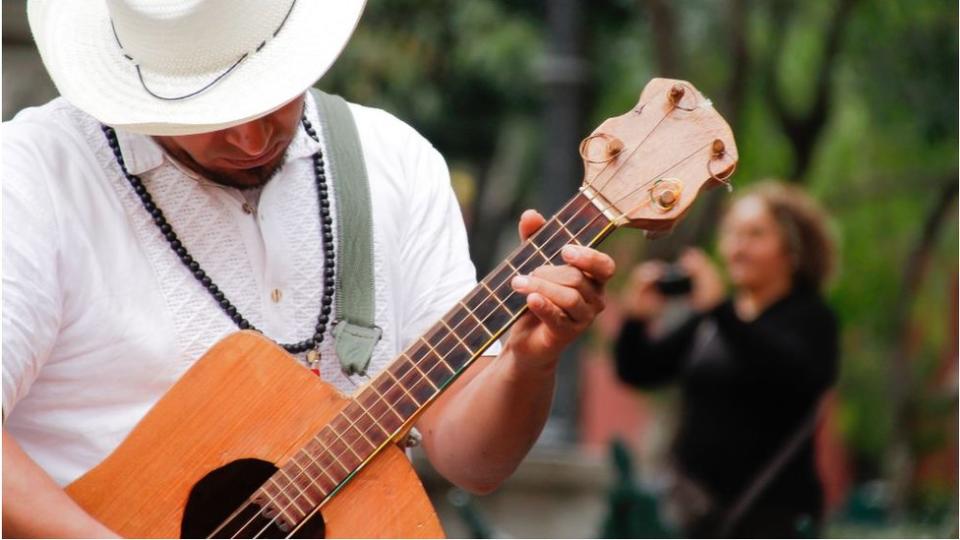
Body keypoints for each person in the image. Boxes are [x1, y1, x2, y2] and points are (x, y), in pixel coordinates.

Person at [1, 1, 615, 537]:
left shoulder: (395, 166)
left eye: (268, 93)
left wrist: (529, 364)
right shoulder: (33, 178)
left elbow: (474, 466)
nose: (249, 137)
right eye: (205, 112)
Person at [615, 181, 839, 538]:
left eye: (755, 235)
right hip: (697, 516)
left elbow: (788, 376)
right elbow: (639, 371)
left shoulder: (811, 319)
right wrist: (635, 320)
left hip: (773, 518)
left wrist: (719, 310)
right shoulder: (716, 320)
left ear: (792, 251)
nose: (737, 248)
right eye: (732, 234)